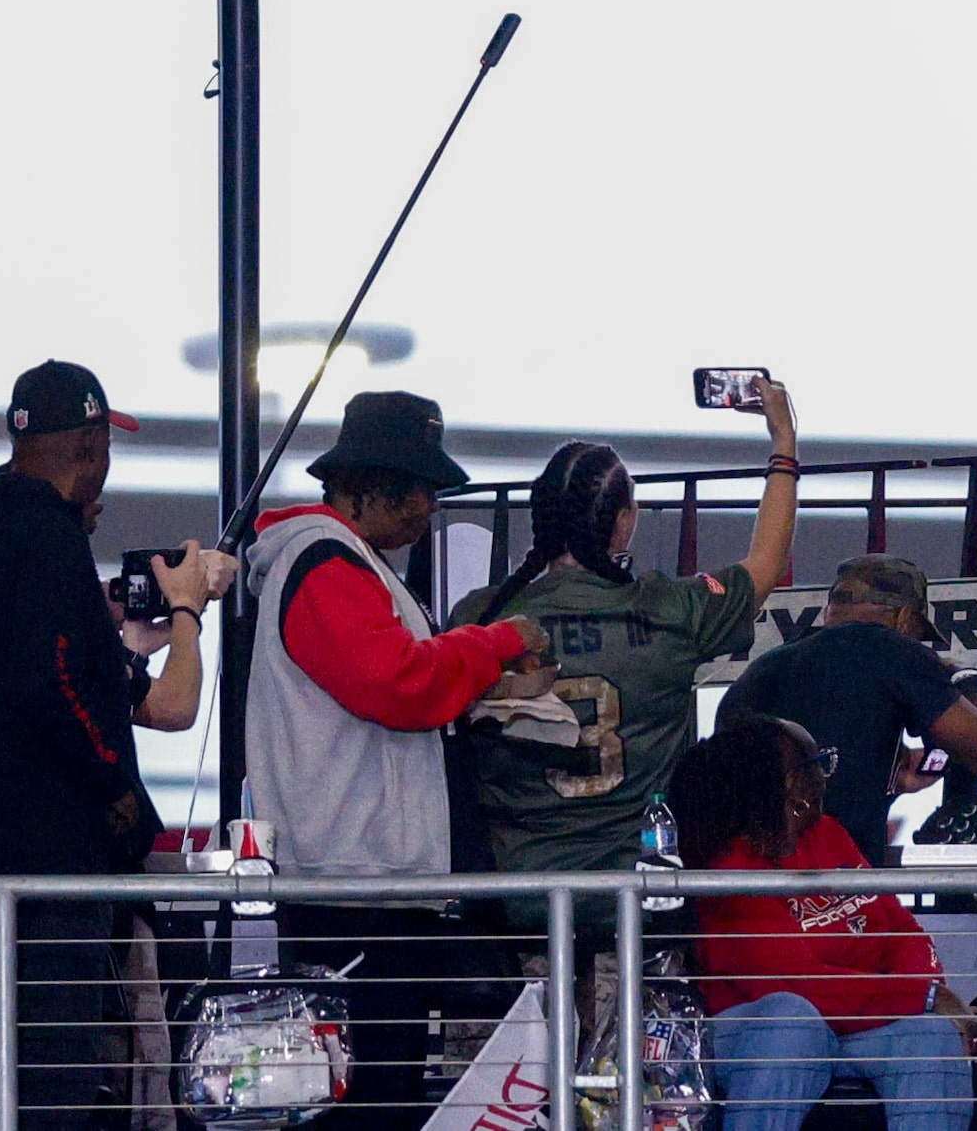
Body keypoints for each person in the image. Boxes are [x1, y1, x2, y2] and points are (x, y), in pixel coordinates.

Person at [244, 391, 558, 1131]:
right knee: (362, 1100)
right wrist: (497, 643)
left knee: (383, 1092)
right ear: (364, 484)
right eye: (416, 487)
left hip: (374, 886)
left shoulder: (351, 566)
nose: (428, 505)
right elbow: (398, 683)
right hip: (352, 892)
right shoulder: (325, 566)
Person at [455, 380, 800, 888]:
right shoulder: (672, 608)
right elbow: (766, 563)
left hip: (515, 894)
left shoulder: (481, 617)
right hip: (638, 900)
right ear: (623, 521)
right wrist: (784, 443)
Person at [674, 714, 977, 1131]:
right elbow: (791, 982)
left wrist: (926, 998)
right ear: (784, 784)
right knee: (793, 1020)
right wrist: (921, 998)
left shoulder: (828, 833)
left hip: (848, 1023)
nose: (826, 775)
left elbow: (900, 930)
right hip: (755, 1032)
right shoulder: (726, 862)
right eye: (817, 762)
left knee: (931, 1038)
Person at [0, 361, 160, 1126]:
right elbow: (47, 680)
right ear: (91, 446)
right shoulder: (52, 539)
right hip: (49, 865)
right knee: (52, 1079)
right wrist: (113, 784)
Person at [718, 555, 977, 865]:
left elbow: (802, 779)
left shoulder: (760, 671)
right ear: (903, 618)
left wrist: (888, 783)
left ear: (829, 611)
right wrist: (973, 686)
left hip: (744, 880)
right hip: (836, 887)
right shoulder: (894, 649)